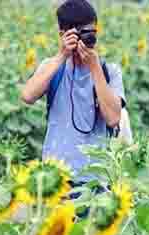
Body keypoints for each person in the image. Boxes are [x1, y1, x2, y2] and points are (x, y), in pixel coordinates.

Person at [21, 0, 126, 189]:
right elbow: (27, 96)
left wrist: (94, 68)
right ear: (63, 34)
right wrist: (62, 55)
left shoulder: (110, 70)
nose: (87, 39)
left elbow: (112, 118)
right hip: (55, 176)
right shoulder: (52, 67)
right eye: (81, 33)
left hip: (95, 179)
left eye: (91, 33)